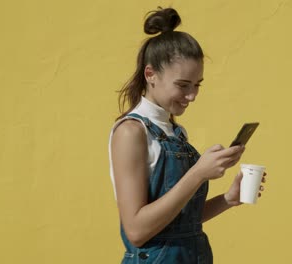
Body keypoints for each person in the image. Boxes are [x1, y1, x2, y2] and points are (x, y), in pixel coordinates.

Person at [108, 7, 266, 263]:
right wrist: (198, 173)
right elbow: (137, 231)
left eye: (197, 85)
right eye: (183, 85)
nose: (192, 96)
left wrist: (228, 199)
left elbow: (178, 224)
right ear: (151, 75)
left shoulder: (175, 132)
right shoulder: (130, 132)